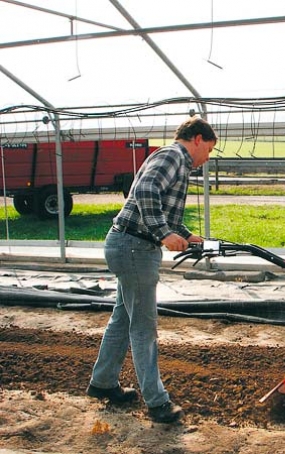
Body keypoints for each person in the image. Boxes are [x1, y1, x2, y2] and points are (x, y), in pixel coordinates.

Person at [86, 116, 217, 423]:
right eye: (209, 150)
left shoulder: (176, 161)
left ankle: (102, 383)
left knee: (122, 319)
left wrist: (184, 234)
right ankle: (157, 404)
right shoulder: (174, 155)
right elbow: (145, 192)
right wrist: (163, 234)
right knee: (144, 328)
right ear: (197, 139)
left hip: (129, 245)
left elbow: (160, 206)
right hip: (134, 247)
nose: (207, 158)